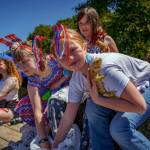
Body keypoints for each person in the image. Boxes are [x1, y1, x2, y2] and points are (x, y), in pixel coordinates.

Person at [51, 26, 150, 150]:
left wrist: (99, 100)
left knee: (119, 129)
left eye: (73, 50)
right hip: (125, 92)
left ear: (84, 46)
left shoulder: (104, 68)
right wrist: (54, 146)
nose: (69, 58)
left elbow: (140, 107)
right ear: (59, 62)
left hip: (145, 84)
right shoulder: (77, 78)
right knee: (92, 109)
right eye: (62, 56)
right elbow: (68, 116)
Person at [11, 38, 71, 150]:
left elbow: (70, 70)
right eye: (18, 65)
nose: (22, 68)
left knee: (53, 101)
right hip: (50, 95)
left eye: (24, 62)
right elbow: (36, 110)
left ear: (36, 56)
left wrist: (59, 82)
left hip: (68, 87)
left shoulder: (53, 60)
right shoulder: (32, 80)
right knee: (25, 105)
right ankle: (46, 130)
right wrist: (43, 140)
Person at [76, 7, 118, 149]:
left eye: (86, 22)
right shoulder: (81, 45)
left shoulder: (106, 40)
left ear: (94, 22)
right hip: (91, 90)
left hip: (111, 88)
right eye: (80, 24)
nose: (83, 27)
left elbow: (119, 63)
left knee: (92, 109)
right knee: (90, 107)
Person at [0, 58, 21, 123]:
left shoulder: (13, 79)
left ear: (7, 65)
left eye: (0, 64)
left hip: (11, 108)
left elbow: (1, 95)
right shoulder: (1, 80)